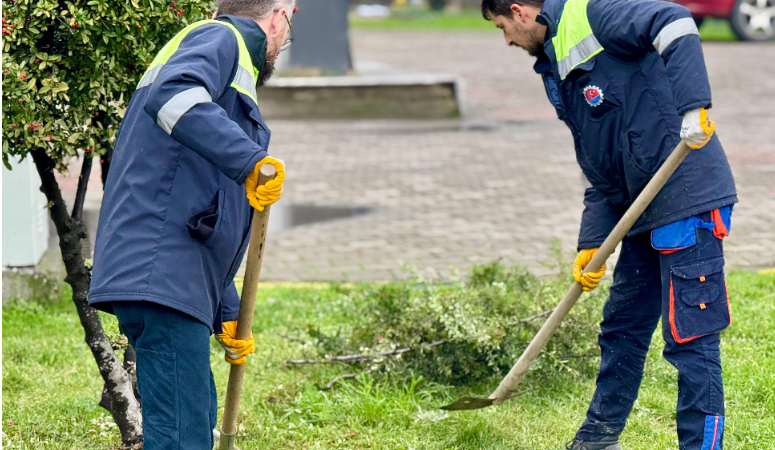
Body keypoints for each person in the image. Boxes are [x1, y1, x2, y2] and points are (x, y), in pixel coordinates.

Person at [480, 0, 737, 449]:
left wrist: (693, 106)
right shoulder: (554, 68)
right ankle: (596, 440)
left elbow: (673, 19)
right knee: (621, 329)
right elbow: (599, 163)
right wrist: (592, 242)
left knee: (689, 341)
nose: (504, 40)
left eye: (502, 26)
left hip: (686, 192)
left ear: (520, 11)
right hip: (641, 208)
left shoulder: (594, 13)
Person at [88, 1, 295, 448]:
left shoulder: (223, 58)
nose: (286, 40)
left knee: (193, 420)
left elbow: (198, 206)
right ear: (279, 14)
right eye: (290, 22)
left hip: (170, 276)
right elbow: (172, 95)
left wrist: (228, 311)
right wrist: (249, 161)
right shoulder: (221, 38)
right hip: (161, 277)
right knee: (183, 438)